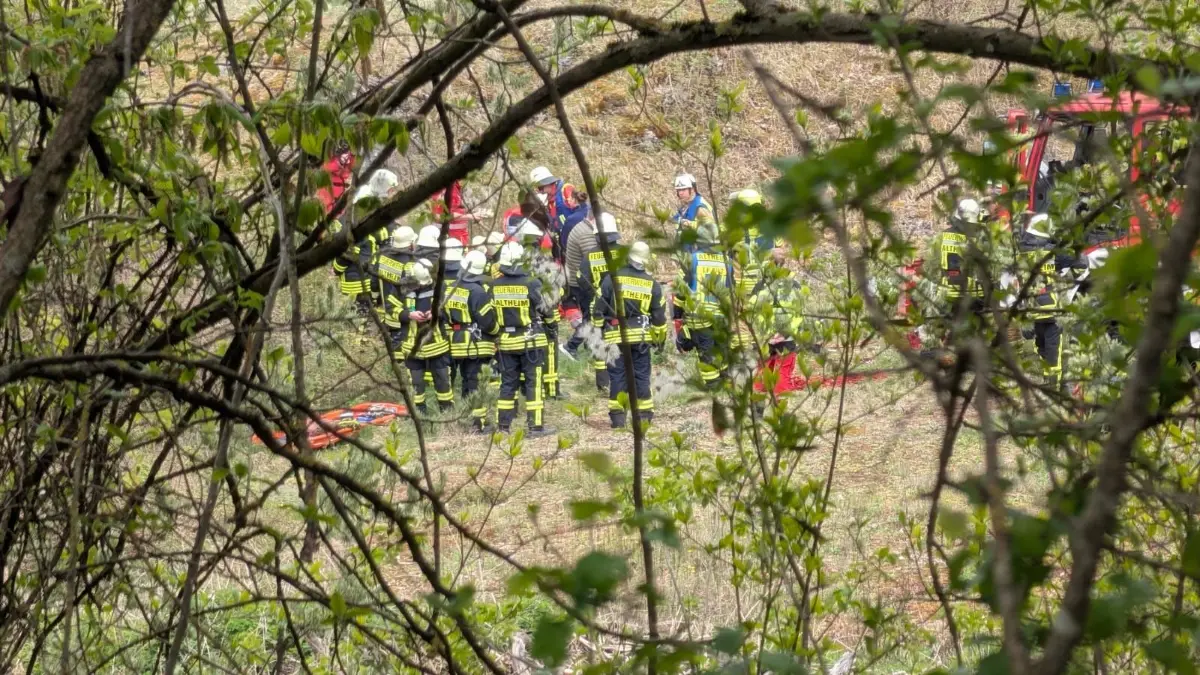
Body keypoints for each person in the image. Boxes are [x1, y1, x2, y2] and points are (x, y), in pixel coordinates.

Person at [593, 241, 667, 429]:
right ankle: (644, 417)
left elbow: (597, 309)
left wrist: (599, 331)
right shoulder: (652, 284)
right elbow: (659, 318)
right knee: (641, 376)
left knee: (617, 376)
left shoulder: (611, 279)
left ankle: (618, 418)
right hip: (640, 338)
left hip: (615, 337)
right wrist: (660, 342)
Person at [491, 241, 555, 437]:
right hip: (531, 341)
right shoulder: (532, 283)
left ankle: (503, 426)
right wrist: (551, 327)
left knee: (507, 383)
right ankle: (535, 427)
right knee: (533, 384)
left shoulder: (494, 285)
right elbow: (547, 310)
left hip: (506, 341)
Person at [443, 250, 500, 432]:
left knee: (466, 381)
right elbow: (487, 322)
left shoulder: (451, 287)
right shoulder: (478, 292)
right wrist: (497, 333)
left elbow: (444, 313)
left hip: (457, 340)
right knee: (475, 383)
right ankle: (478, 424)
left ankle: (466, 419)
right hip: (476, 344)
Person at [390, 259, 455, 416]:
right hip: (412, 345)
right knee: (416, 383)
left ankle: (447, 412)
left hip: (437, 344)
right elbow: (391, 308)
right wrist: (408, 314)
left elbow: (451, 311)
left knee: (442, 381)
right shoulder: (401, 286)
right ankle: (418, 414)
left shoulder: (440, 286)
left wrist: (436, 313)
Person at [565, 211, 620, 391]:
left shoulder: (590, 256)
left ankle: (603, 383)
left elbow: (581, 279)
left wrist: (593, 294)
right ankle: (621, 378)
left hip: (597, 306)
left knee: (599, 340)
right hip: (621, 306)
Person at [674, 221, 733, 388]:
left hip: (700, 315)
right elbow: (731, 290)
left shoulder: (692, 259)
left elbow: (680, 290)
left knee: (706, 351)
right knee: (721, 348)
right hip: (721, 315)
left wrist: (677, 314)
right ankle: (725, 380)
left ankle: (713, 384)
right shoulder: (727, 261)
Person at [513, 219, 567, 400]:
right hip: (543, 310)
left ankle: (525, 388)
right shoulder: (540, 260)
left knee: (524, 351)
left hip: (519, 312)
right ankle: (551, 389)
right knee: (549, 349)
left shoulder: (513, 256)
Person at [1015, 213, 1065, 389]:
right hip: (1052, 311)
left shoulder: (1021, 252)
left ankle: (1047, 378)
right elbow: (1079, 263)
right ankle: (1053, 385)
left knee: (1041, 344)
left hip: (1031, 310)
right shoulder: (1054, 252)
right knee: (1053, 350)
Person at [341, 169, 399, 317]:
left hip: (365, 254)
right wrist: (390, 234)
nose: (392, 193)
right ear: (383, 188)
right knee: (363, 291)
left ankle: (364, 307)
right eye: (390, 190)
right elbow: (373, 231)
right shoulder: (364, 204)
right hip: (361, 258)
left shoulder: (369, 197)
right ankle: (361, 312)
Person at [530, 166, 590, 261]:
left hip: (576, 239)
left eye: (539, 188)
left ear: (547, 183)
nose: (539, 191)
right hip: (561, 243)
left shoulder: (565, 191)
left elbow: (583, 211)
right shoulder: (547, 200)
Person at [670, 173, 717, 255]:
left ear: (692, 189)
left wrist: (689, 224)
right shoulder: (686, 206)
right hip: (686, 253)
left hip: (700, 253)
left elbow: (710, 231)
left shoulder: (700, 206)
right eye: (679, 190)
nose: (680, 193)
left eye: (683, 190)